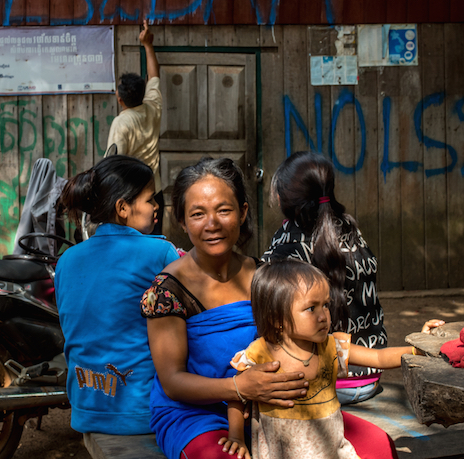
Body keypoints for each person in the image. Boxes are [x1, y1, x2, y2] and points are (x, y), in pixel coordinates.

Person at [141, 157, 401, 459]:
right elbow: (172, 382)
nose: (212, 224)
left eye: (224, 210)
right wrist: (240, 387)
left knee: (377, 445)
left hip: (276, 410)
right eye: (198, 214)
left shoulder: (268, 277)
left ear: (242, 213)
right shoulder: (166, 292)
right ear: (183, 222)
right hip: (197, 415)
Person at [220, 260, 443, 459]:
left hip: (332, 451)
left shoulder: (330, 347)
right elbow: (238, 395)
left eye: (325, 305)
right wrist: (237, 437)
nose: (323, 316)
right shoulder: (260, 353)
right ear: (277, 319)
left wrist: (419, 347)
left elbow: (378, 357)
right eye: (311, 308)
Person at [54, 155, 180, 434]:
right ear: (123, 208)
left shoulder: (67, 260)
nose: (157, 206)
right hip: (143, 411)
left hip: (85, 408)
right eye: (150, 200)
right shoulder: (160, 253)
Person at [264, 151, 386, 404]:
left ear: (281, 198)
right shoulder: (350, 228)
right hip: (369, 377)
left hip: (323, 384)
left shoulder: (287, 241)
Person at [107, 20, 165, 234]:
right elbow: (155, 76)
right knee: (155, 245)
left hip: (132, 199)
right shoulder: (153, 107)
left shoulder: (121, 122)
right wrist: (148, 45)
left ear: (119, 99)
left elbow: (113, 164)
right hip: (155, 193)